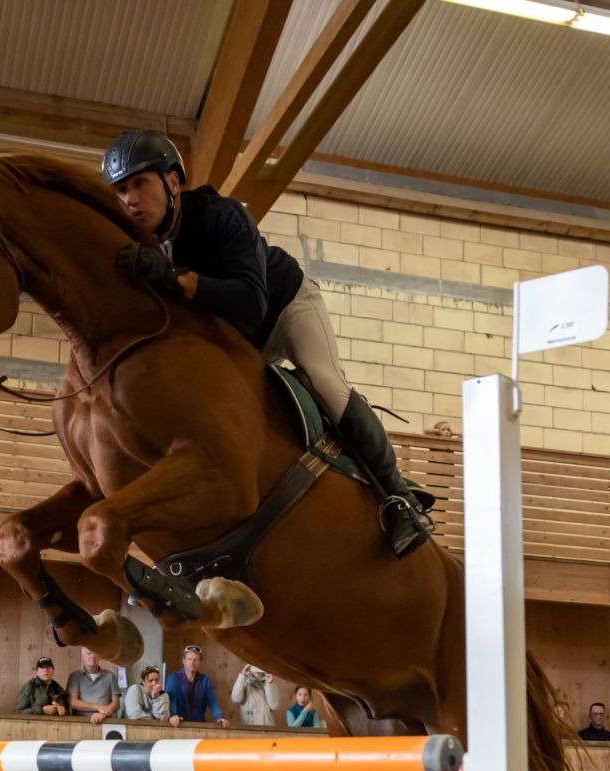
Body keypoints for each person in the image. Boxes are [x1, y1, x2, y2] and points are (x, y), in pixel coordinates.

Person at [102, 128, 434, 556]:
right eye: (121, 190)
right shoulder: (137, 242)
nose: (130, 199)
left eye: (139, 184)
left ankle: (398, 500)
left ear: (172, 182)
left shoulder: (221, 215)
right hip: (237, 341)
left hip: (284, 308)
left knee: (326, 385)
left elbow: (251, 302)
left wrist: (175, 278)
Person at [165, 644, 227, 727]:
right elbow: (171, 700)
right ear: (183, 661)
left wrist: (219, 717)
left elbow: (213, 703)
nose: (192, 662)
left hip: (199, 726)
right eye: (189, 659)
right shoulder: (174, 678)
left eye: (196, 660)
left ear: (200, 662)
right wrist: (173, 715)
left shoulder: (205, 681)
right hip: (179, 724)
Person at [64, 647, 120, 725]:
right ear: (83, 656)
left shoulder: (110, 676)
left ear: (100, 656)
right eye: (89, 653)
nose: (92, 656)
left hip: (105, 721)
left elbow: (116, 703)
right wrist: (98, 707)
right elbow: (72, 702)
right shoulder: (75, 676)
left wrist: (103, 714)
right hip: (80, 723)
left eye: (95, 653)